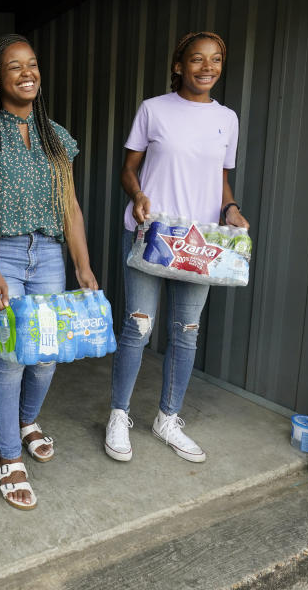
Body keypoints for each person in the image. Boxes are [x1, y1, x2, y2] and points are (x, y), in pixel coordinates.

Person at [0, 34, 98, 510]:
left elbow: (71, 206)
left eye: (33, 65)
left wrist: (82, 265)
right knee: (9, 358)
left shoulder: (55, 136)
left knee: (46, 355)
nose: (28, 73)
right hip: (3, 253)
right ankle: (7, 457)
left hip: (49, 255)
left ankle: (26, 421)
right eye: (15, 67)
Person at [104, 31, 250, 464]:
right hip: (153, 234)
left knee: (186, 333)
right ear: (178, 66)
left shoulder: (228, 118)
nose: (207, 67)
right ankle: (119, 414)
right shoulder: (153, 109)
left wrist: (232, 208)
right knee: (139, 327)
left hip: (198, 241)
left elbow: (222, 178)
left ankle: (168, 418)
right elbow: (129, 167)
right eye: (197, 59)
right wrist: (137, 195)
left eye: (216, 60)